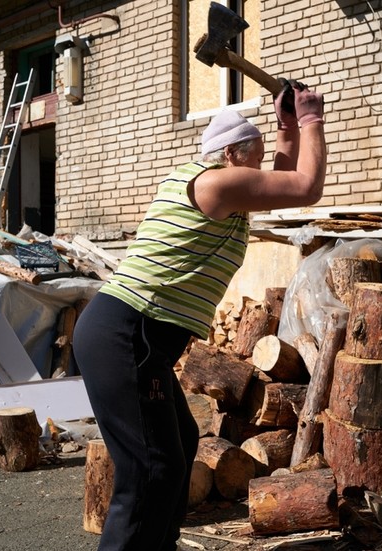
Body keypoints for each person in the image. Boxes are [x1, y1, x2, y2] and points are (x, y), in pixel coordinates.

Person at [72, 81, 326, 551]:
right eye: (257, 159)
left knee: (178, 443)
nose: (262, 171)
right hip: (130, 331)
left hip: (128, 332)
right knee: (148, 468)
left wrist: (287, 126)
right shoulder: (215, 183)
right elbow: (304, 187)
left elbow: (284, 187)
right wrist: (311, 119)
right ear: (232, 155)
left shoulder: (210, 182)